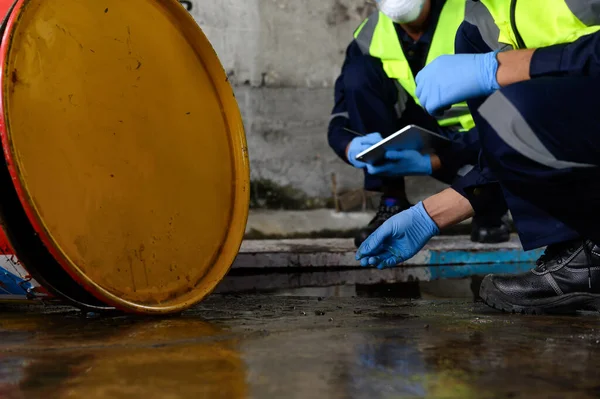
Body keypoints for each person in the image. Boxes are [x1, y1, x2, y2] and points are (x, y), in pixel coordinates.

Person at [356, 0, 600, 315]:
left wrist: (502, 67)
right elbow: (514, 147)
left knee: (516, 108)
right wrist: (430, 216)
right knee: (506, 113)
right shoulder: (480, 22)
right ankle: (584, 257)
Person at [327, 0, 511, 248]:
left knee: (500, 167)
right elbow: (341, 117)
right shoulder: (370, 34)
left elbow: (514, 117)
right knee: (359, 74)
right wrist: (352, 147)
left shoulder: (477, 17)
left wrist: (434, 162)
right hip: (421, 132)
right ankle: (392, 201)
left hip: (477, 137)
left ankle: (489, 208)